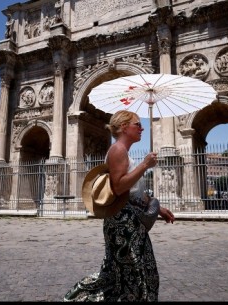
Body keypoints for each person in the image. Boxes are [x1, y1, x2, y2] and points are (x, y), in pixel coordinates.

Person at [64, 110, 175, 302]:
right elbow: (118, 187)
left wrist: (159, 209)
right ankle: (79, 296)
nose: (142, 128)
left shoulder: (124, 152)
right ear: (124, 127)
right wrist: (144, 166)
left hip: (130, 223)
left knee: (135, 274)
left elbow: (133, 191)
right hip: (122, 224)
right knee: (130, 274)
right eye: (137, 124)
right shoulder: (117, 150)